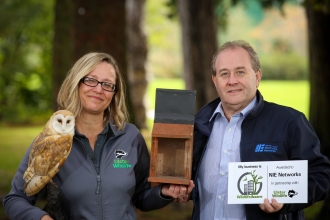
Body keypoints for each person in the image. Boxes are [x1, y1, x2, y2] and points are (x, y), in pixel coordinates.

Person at [3, 52, 194, 220]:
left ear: (114, 93)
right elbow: (15, 199)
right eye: (91, 80)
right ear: (77, 83)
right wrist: (42, 218)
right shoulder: (51, 142)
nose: (99, 89)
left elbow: (142, 197)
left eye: (107, 84)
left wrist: (164, 192)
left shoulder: (130, 137)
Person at [186, 40, 330, 219]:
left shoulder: (290, 122)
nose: (232, 81)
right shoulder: (198, 125)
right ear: (215, 80)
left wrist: (286, 200)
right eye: (224, 74)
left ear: (257, 76)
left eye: (240, 72)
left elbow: (320, 176)